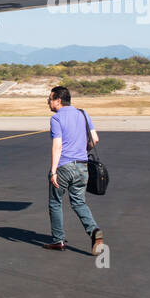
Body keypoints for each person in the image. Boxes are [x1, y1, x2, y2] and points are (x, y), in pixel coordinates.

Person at [44, 85, 104, 254]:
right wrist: (83, 151)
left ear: (58, 100)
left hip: (64, 166)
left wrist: (53, 171)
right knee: (79, 202)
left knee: (55, 202)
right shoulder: (83, 114)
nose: (48, 102)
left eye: (49, 99)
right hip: (82, 166)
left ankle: (58, 240)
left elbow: (57, 145)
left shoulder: (56, 119)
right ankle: (93, 231)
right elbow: (95, 139)